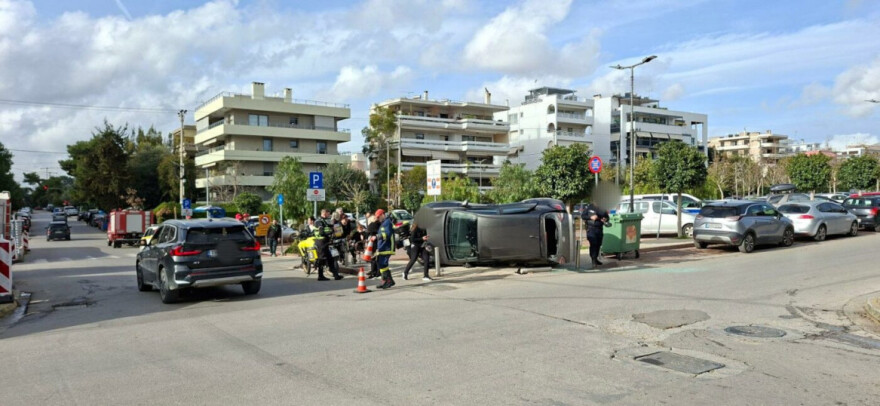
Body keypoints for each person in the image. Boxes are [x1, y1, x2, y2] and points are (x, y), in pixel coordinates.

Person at [314, 209, 342, 281]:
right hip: (320, 242)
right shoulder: (318, 221)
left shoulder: (324, 221)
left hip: (325, 243)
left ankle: (336, 275)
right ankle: (320, 276)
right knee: (322, 259)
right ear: (324, 213)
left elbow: (331, 226)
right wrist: (330, 233)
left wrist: (336, 227)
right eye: (328, 213)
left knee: (330, 259)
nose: (329, 215)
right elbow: (321, 232)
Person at [582, 203, 610, 267]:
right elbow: (583, 216)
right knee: (593, 244)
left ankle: (595, 258)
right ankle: (593, 259)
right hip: (591, 229)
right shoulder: (589, 207)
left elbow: (607, 217)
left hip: (599, 229)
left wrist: (605, 219)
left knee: (598, 244)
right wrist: (590, 217)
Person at [374, 209, 396, 289]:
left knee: (382, 264)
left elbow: (387, 234)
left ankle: (388, 281)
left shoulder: (387, 222)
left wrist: (377, 236)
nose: (378, 218)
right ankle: (386, 281)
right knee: (381, 263)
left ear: (383, 214)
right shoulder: (384, 222)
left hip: (386, 247)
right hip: (383, 247)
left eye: (379, 216)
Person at [366, 213, 381, 279]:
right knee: (376, 258)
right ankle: (377, 272)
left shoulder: (370, 225)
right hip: (376, 243)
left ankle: (374, 271)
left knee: (373, 259)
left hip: (372, 244)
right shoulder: (376, 225)